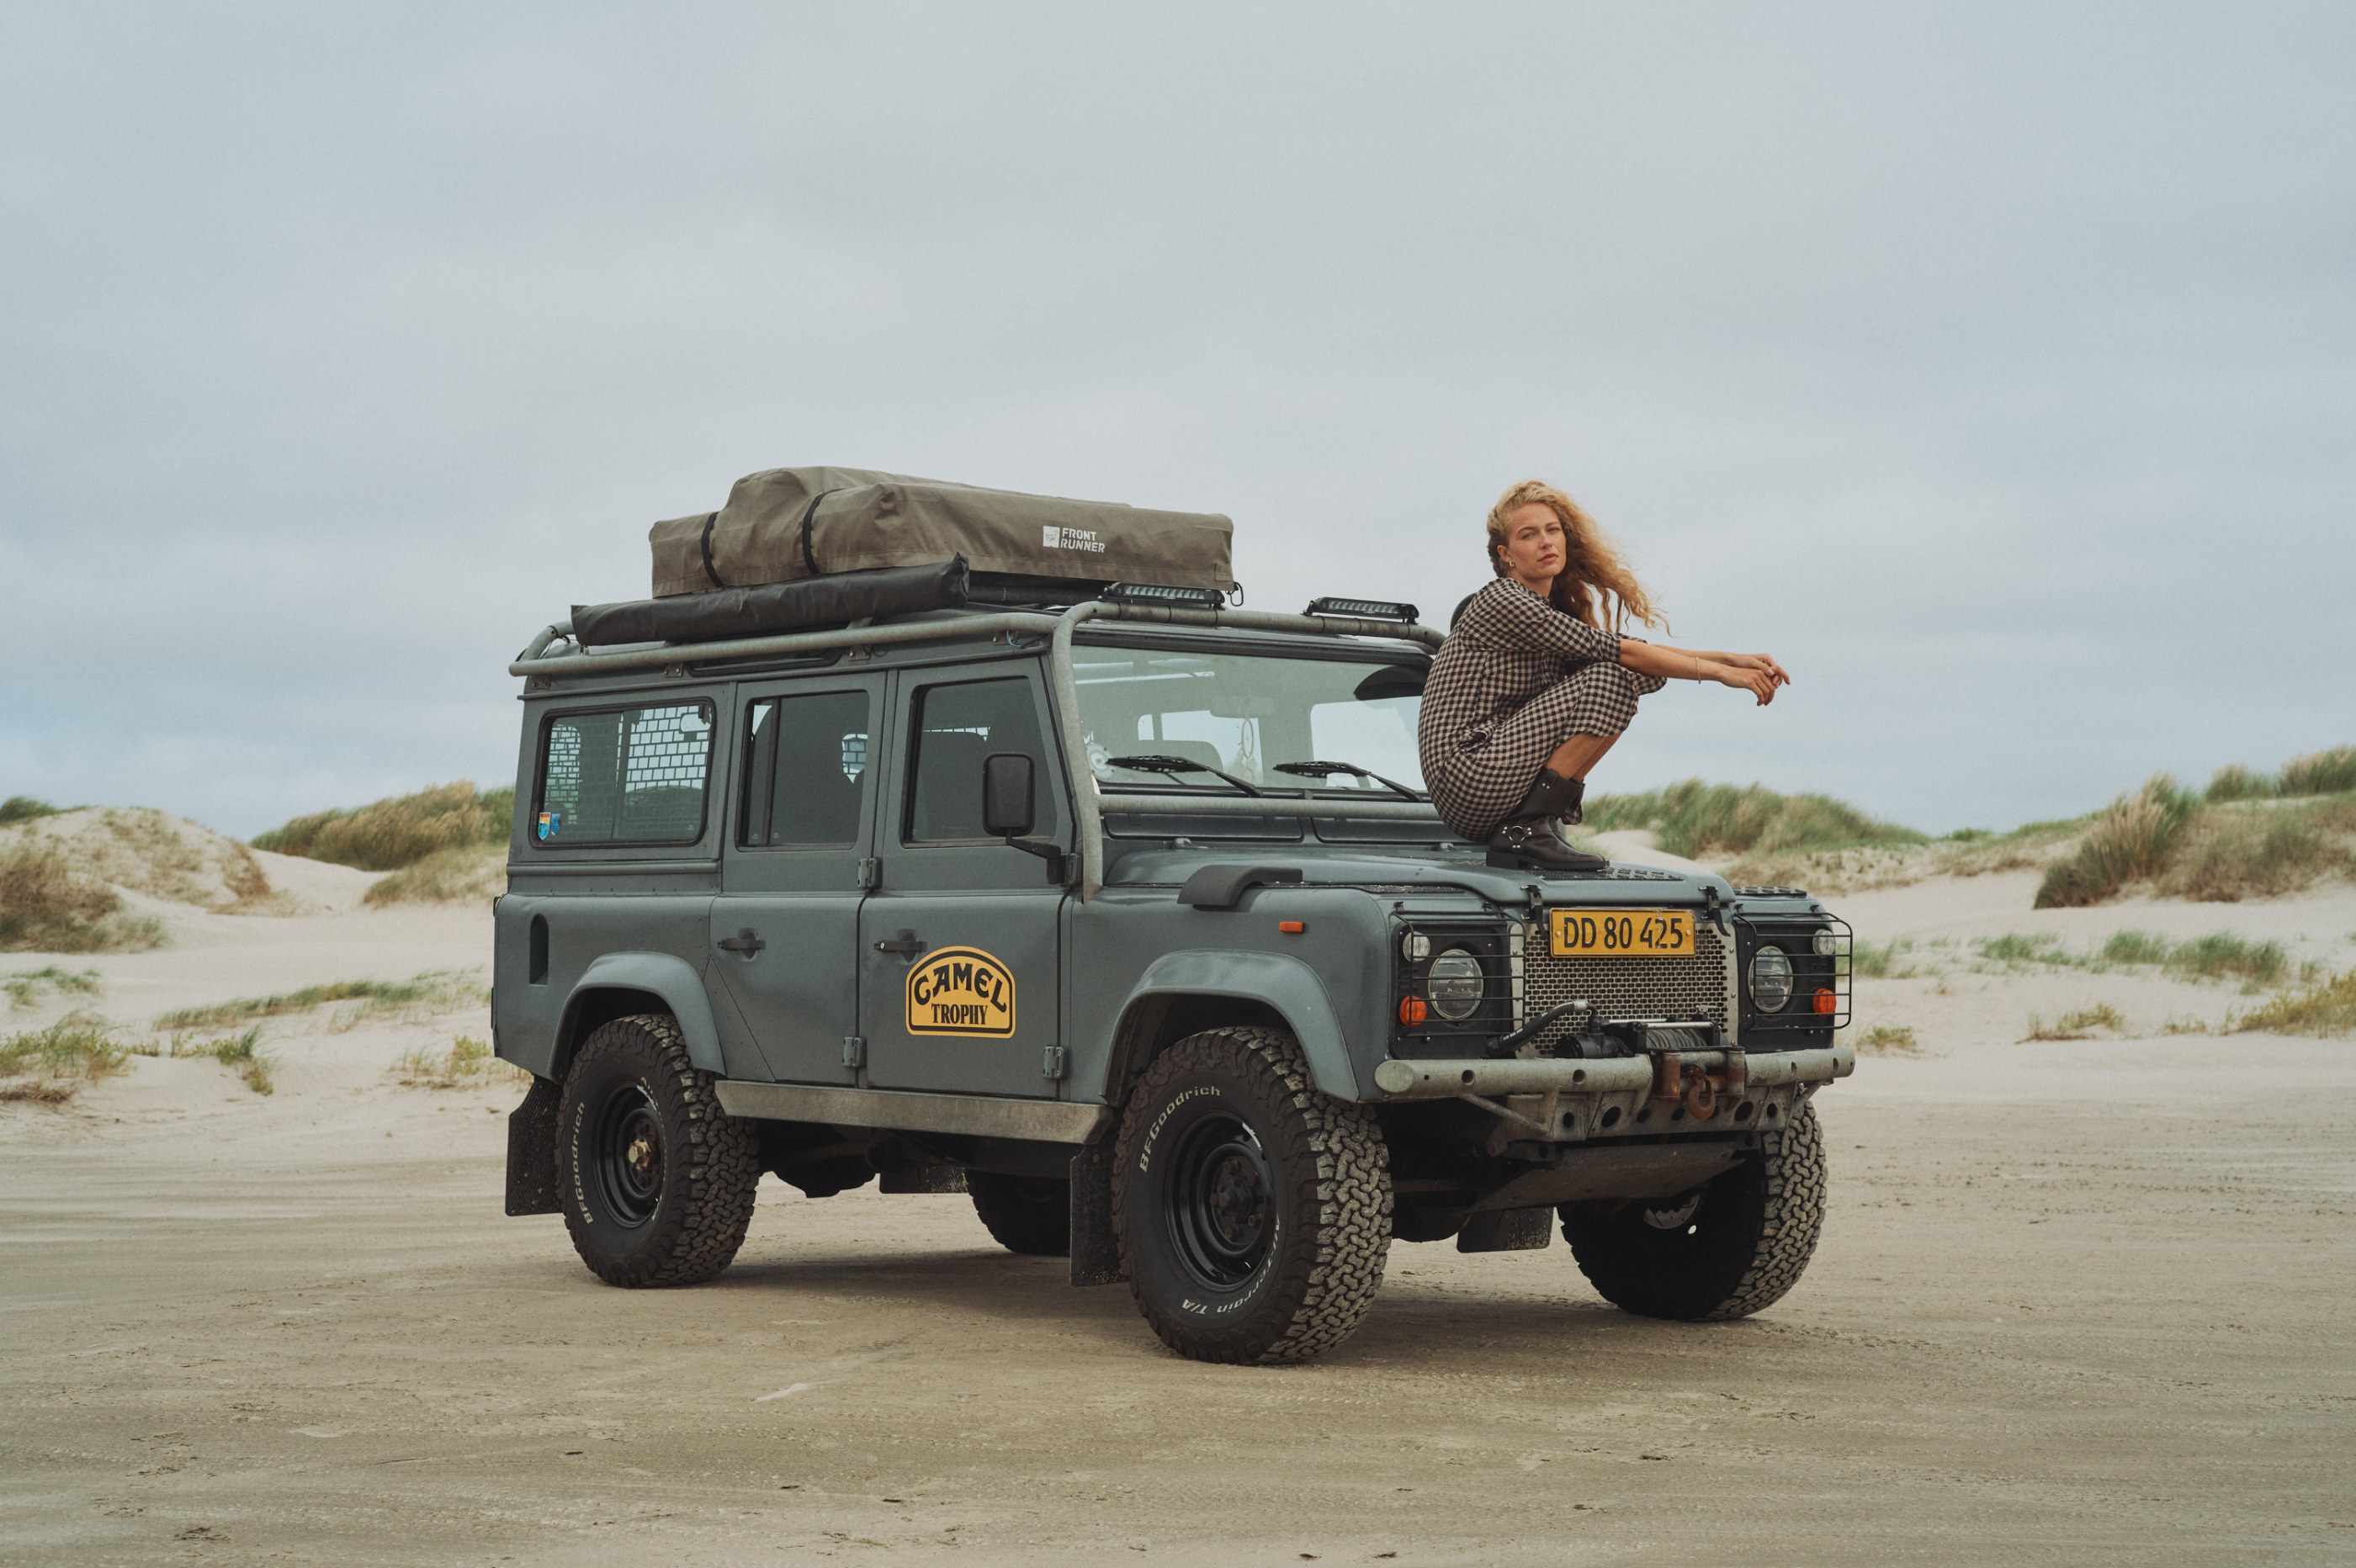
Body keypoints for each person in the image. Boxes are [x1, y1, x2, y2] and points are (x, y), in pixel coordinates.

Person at [1417, 479, 1789, 871]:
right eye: (1529, 535)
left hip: (1499, 771)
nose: (1546, 542)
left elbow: (1636, 652)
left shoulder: (1550, 612)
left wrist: (1731, 659)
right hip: (1467, 772)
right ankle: (1526, 830)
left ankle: (1536, 823)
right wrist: (1718, 675)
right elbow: (1622, 653)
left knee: (1627, 675)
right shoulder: (1502, 600)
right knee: (1611, 677)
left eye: (1552, 530)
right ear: (1506, 554)